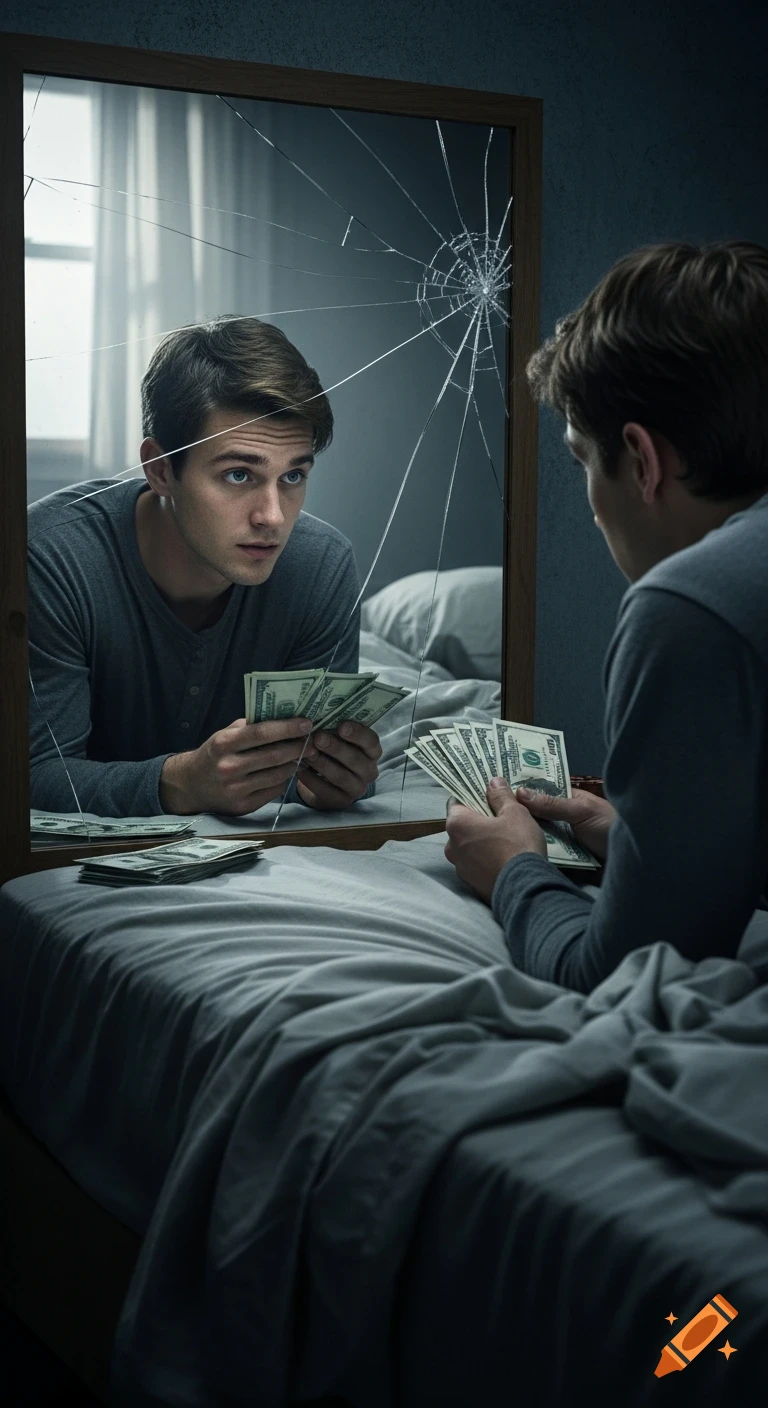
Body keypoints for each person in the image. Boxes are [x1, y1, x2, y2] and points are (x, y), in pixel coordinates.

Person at [445, 239, 768, 992]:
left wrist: (514, 869)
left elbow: (621, 975)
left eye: (584, 462)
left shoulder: (691, 607)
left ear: (642, 461)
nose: (592, 506)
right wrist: (644, 841)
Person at [28, 316, 381, 818]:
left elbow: (308, 775)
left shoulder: (320, 566)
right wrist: (180, 784)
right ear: (160, 469)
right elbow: (32, 776)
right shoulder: (54, 559)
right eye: (239, 474)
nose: (273, 517)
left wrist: (333, 782)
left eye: (294, 475)